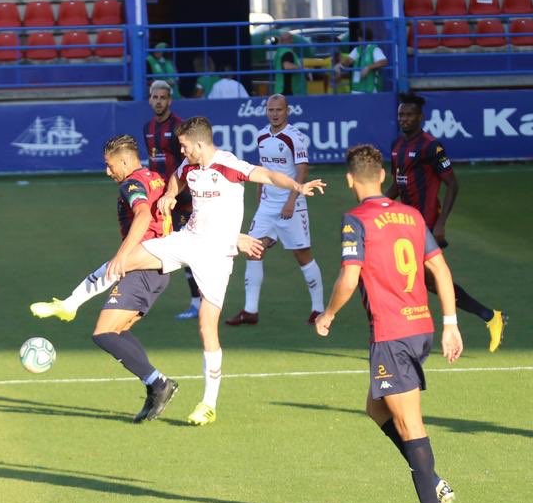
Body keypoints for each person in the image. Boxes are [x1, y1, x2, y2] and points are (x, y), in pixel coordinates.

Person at [34, 117, 324, 426]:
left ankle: (208, 404)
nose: (181, 150)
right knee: (126, 260)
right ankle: (70, 304)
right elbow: (175, 179)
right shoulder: (189, 167)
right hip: (186, 240)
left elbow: (265, 174)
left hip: (216, 254)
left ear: (199, 143)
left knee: (206, 328)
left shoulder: (228, 165)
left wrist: (297, 186)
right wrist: (171, 194)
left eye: (184, 145)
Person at [315, 144, 463, 503]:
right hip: (421, 327)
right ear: (382, 175)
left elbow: (349, 277)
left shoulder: (356, 219)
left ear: (349, 180)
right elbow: (441, 269)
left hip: (392, 333)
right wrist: (450, 322)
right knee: (376, 407)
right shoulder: (411, 215)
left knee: (408, 420)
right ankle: (430, 480)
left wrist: (327, 315)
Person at [38, 135, 180, 422]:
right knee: (117, 332)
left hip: (143, 268)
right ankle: (155, 385)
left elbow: (141, 215)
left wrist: (122, 255)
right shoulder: (154, 177)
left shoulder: (131, 183)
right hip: (158, 269)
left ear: (125, 160)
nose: (107, 172)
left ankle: (158, 383)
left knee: (103, 333)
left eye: (109, 164)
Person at [387, 92, 506, 352]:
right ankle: (489, 316)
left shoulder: (432, 146)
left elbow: (452, 184)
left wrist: (441, 224)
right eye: (400, 115)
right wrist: (375, 204)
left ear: (420, 117)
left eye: (408, 115)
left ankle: (412, 338)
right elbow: (399, 182)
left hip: (426, 224)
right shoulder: (397, 146)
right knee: (428, 282)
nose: (404, 119)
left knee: (415, 280)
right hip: (405, 225)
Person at [226, 94, 324, 326]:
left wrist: (292, 200)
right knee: (253, 250)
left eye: (279, 110)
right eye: (271, 110)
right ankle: (250, 311)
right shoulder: (261, 136)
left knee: (302, 255)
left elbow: (302, 171)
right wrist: (260, 190)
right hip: (267, 206)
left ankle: (319, 308)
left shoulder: (294, 137)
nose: (274, 114)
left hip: (292, 204)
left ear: (287, 111)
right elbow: (264, 168)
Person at [143, 80, 203, 320]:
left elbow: (190, 162)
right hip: (160, 199)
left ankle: (199, 302)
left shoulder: (180, 128)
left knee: (189, 250)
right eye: (155, 97)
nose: (158, 101)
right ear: (150, 100)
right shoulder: (147, 127)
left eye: (163, 97)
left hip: (182, 199)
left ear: (170, 100)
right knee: (156, 244)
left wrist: (181, 192)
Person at [334, 28, 388, 94]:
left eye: (359, 37)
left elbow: (384, 61)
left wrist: (368, 68)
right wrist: (340, 65)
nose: (358, 39)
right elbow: (348, 60)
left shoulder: (374, 49)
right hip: (356, 88)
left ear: (361, 38)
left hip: (370, 89)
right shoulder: (357, 49)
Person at [272, 31, 307, 96]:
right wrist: (303, 69)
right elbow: (287, 66)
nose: (292, 41)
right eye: (291, 39)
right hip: (290, 90)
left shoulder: (279, 52)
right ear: (290, 40)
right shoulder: (287, 52)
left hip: (280, 88)